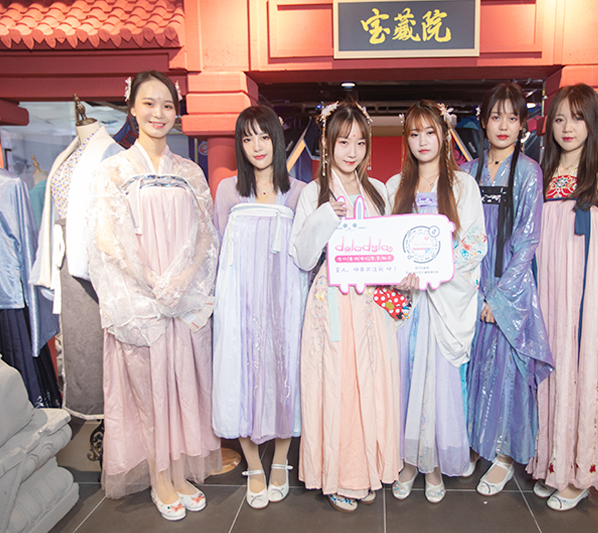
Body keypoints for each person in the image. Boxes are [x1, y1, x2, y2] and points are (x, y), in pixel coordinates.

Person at [86, 70, 221, 521]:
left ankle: (179, 472)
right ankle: (160, 478)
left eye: (166, 105)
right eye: (149, 103)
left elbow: (206, 236)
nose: (158, 113)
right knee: (148, 394)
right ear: (132, 108)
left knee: (182, 388)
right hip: (141, 302)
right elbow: (106, 241)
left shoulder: (190, 171)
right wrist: (148, 282)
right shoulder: (114, 171)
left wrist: (184, 281)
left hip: (181, 301)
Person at [290, 100, 400, 513]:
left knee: (369, 382)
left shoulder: (378, 191)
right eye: (343, 142)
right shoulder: (313, 193)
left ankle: (365, 470)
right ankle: (338, 475)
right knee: (336, 385)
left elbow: (389, 248)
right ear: (328, 144)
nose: (352, 151)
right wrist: (324, 216)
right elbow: (302, 257)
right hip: (332, 300)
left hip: (370, 303)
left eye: (359, 142)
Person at [527, 84, 598, 510]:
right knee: (555, 370)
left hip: (588, 293)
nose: (567, 127)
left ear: (593, 122)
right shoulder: (541, 174)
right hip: (551, 291)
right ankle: (555, 463)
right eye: (559, 119)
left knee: (583, 370)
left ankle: (581, 472)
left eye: (577, 117)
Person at [387, 100, 487, 503]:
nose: (423, 141)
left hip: (444, 302)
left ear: (445, 135)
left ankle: (432, 466)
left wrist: (437, 270)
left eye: (431, 132)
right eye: (414, 133)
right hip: (408, 304)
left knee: (439, 385)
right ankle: (407, 462)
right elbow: (387, 245)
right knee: (405, 381)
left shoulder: (463, 186)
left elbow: (475, 242)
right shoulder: (395, 186)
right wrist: (400, 274)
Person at [211, 105, 307, 509]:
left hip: (285, 300)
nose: (257, 146)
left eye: (264, 136)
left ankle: (281, 459)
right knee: (240, 372)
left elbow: (307, 251)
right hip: (240, 299)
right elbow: (218, 246)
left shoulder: (299, 192)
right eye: (247, 138)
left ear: (277, 140)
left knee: (285, 371)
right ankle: (253, 464)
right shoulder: (228, 191)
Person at [461, 84, 553, 496]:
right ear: (483, 121)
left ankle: (502, 455)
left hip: (509, 288)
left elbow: (528, 239)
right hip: (470, 283)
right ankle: (475, 441)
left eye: (512, 118)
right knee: (472, 367)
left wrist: (498, 298)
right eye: (495, 116)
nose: (503, 125)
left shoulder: (530, 172)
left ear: (522, 125)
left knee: (505, 372)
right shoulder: (467, 172)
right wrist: (470, 287)